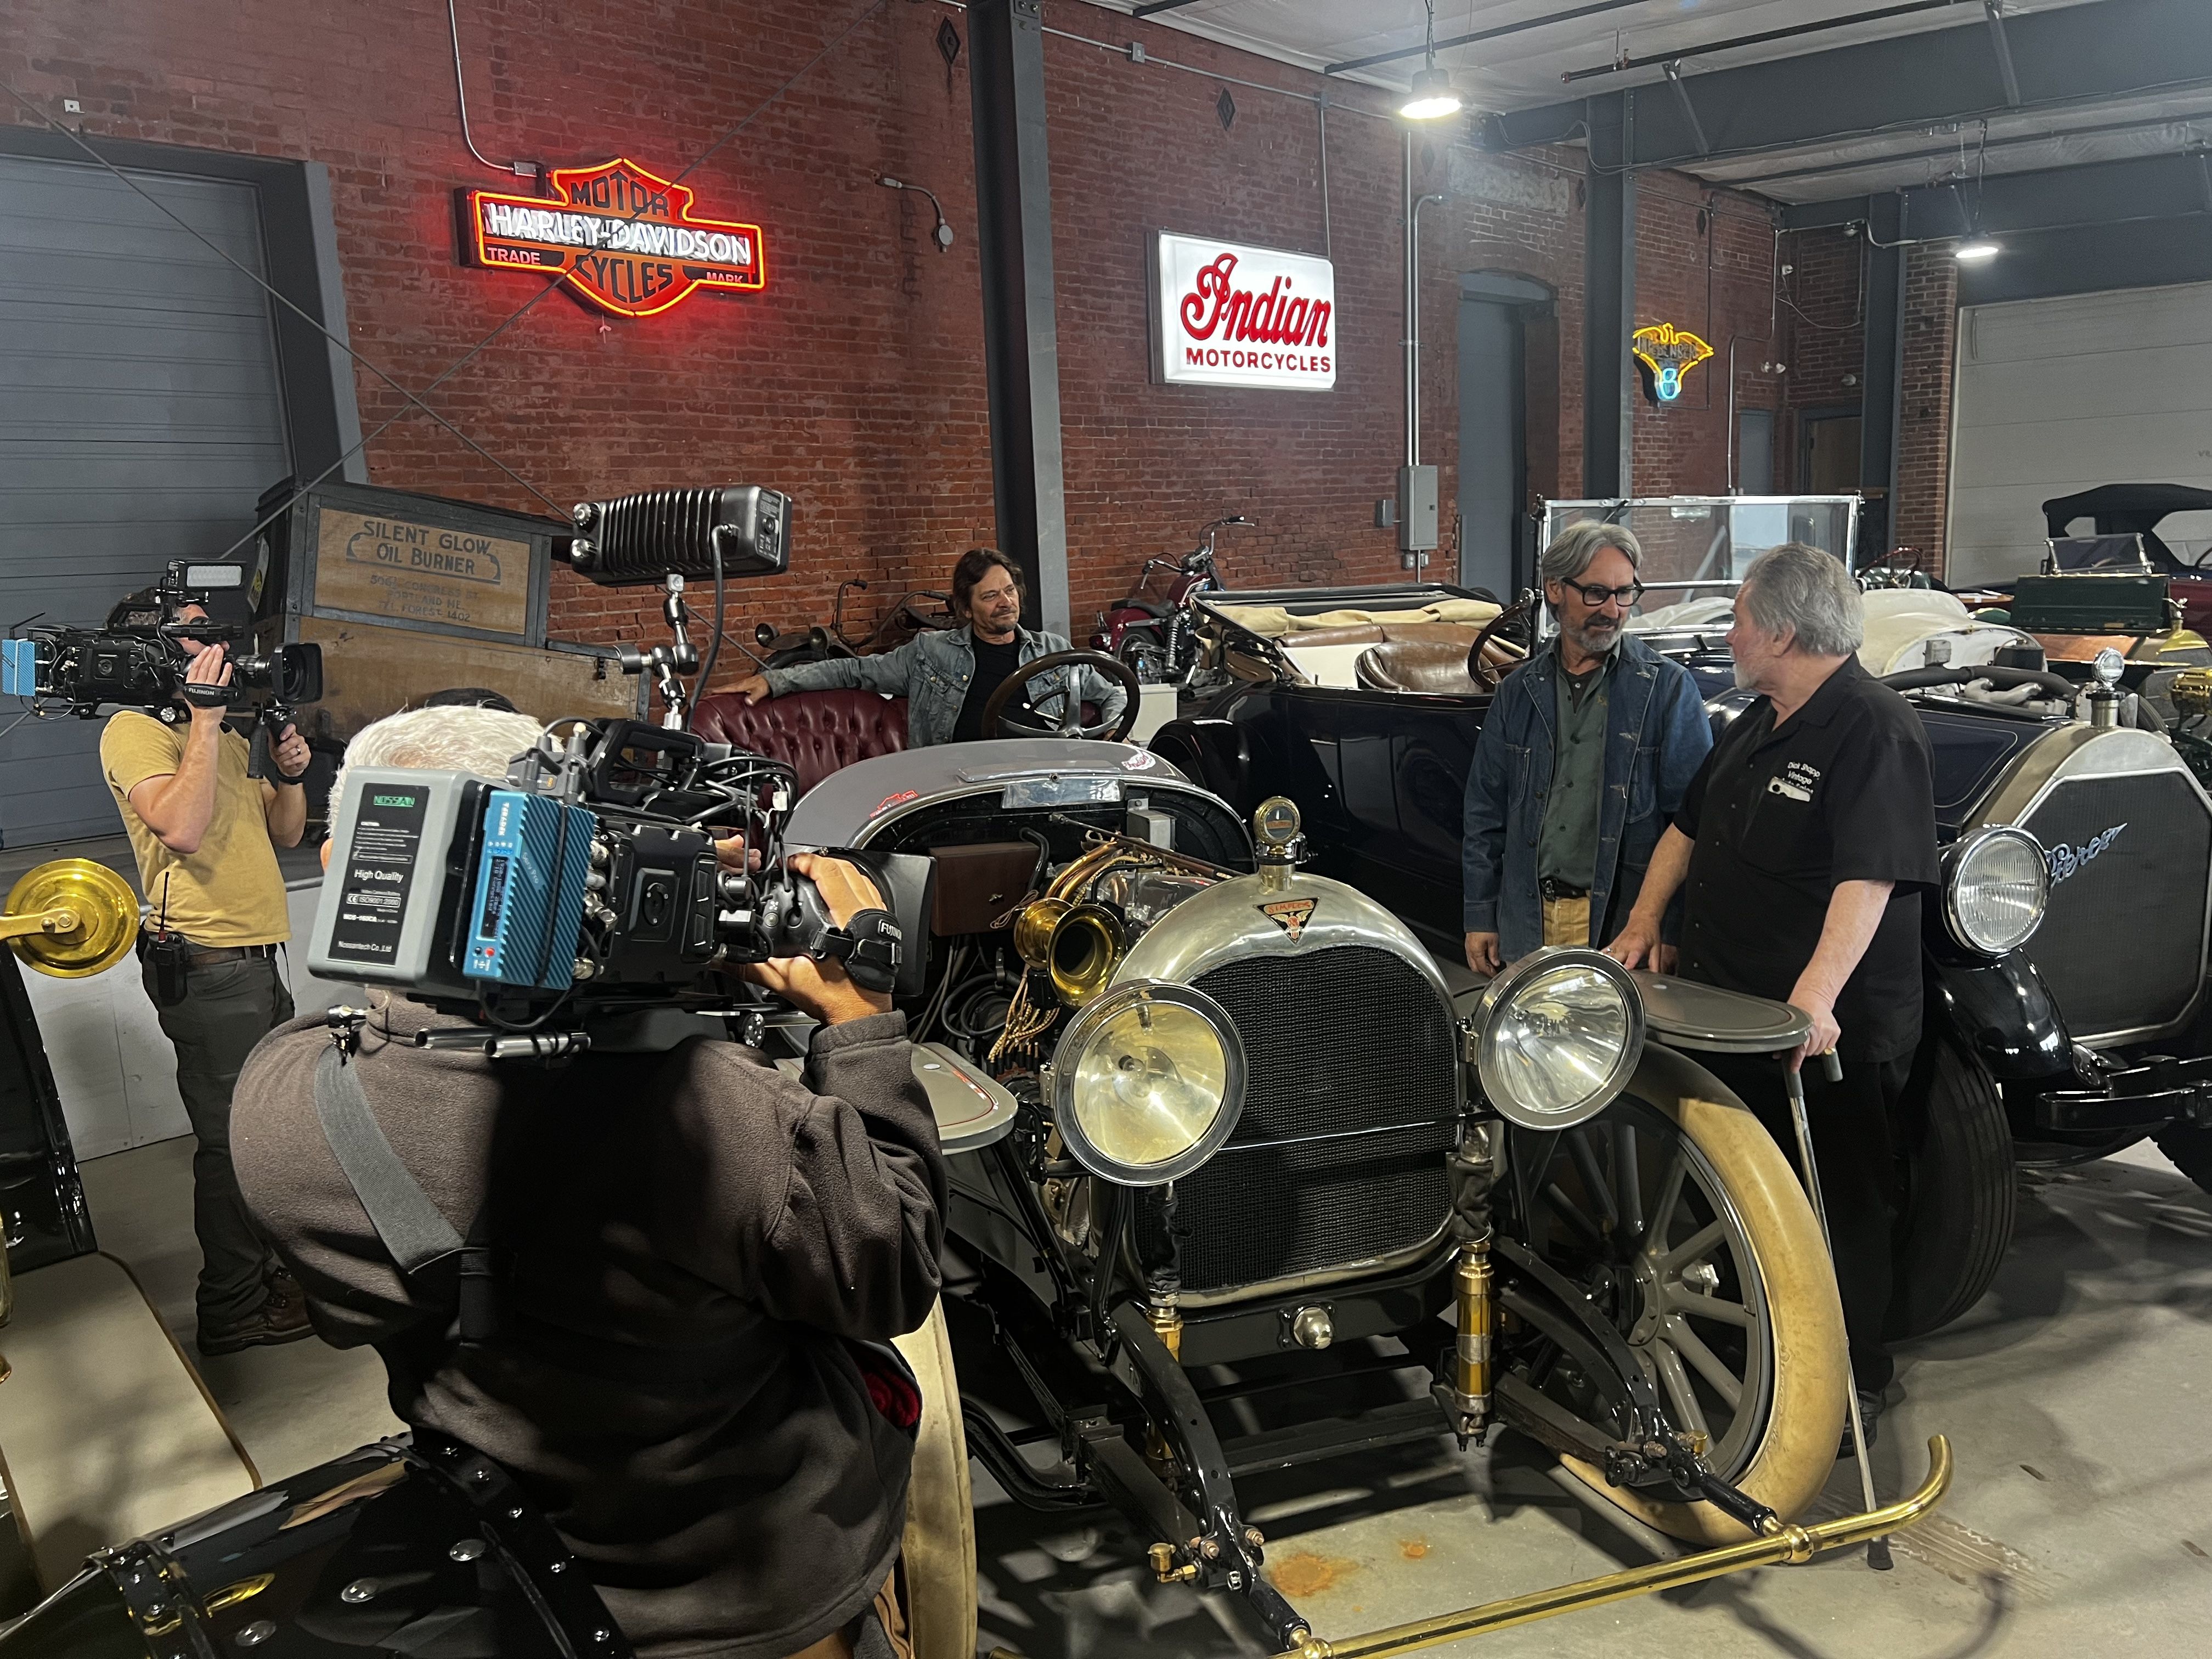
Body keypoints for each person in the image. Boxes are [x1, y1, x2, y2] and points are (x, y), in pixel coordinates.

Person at [233, 705, 946, 1659]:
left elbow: (353, 1285)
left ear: (351, 857)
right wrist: (861, 1022)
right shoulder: (708, 1109)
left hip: (526, 1567)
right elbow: (890, 1267)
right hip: (754, 1599)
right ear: (556, 857)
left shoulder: (280, 1101)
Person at [1605, 543, 1940, 1446]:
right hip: (1734, 1013)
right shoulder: (1758, 718)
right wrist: (1642, 921)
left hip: (1825, 1031)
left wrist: (1814, 1001)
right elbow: (1687, 824)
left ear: (1782, 631)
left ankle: (1850, 1381)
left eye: (1740, 618)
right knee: (1759, 1198)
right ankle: (1767, 1351)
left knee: (1840, 1207)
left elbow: (1867, 879)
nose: (1729, 633)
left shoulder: (1873, 726)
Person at [98, 598, 315, 1355]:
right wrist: (204, 720)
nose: (217, 644)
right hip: (208, 962)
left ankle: (264, 1277)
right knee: (230, 1147)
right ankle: (231, 1310)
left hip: (257, 959)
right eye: (196, 632)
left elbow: (286, 832)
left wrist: (290, 774)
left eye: (216, 631)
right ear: (151, 648)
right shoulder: (135, 731)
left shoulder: (216, 733)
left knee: (269, 1133)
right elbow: (182, 829)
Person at [1461, 522, 1712, 975]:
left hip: (1622, 929)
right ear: (1555, 589)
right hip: (1528, 921)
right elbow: (1486, 813)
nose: (1613, 610)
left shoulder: (1669, 690)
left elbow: (1691, 827)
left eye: (1625, 593)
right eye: (1597, 593)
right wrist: (1481, 912)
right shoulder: (1518, 692)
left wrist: (1671, 930)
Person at [732, 547, 1127, 743]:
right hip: (958, 782)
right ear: (966, 608)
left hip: (1045, 777)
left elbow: (1114, 694)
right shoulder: (930, 653)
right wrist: (776, 680)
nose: (1006, 602)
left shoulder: (1052, 651)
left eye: (1009, 591)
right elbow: (852, 669)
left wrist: (1111, 734)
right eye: (990, 596)